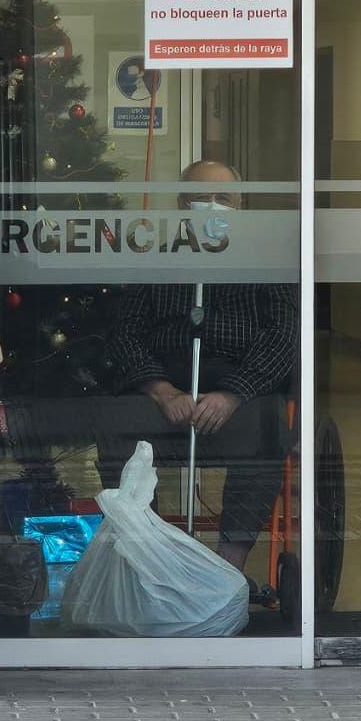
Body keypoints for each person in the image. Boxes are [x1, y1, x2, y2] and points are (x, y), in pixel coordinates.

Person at [103, 160, 298, 587]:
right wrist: (161, 391)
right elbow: (125, 332)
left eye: (223, 199)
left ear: (240, 205)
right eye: (199, 199)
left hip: (241, 381)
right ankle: (149, 561)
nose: (211, 207)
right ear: (179, 203)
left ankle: (226, 571)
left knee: (267, 431)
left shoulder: (269, 256)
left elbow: (285, 336)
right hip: (165, 378)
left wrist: (233, 394)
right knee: (118, 427)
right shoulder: (152, 253)